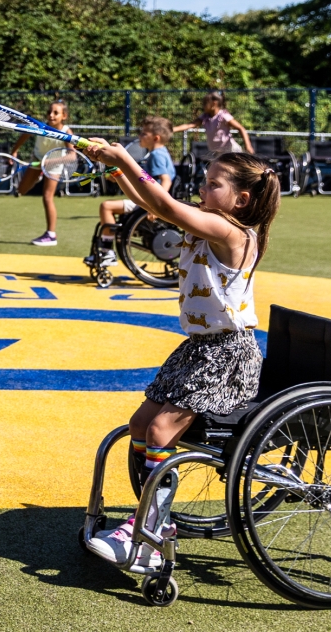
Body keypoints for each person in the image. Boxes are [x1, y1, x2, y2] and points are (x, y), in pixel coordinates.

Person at [75, 144, 281, 568]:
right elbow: (154, 204)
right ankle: (151, 515)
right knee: (139, 424)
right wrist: (116, 172)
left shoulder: (233, 233)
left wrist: (124, 161)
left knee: (161, 429)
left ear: (241, 198)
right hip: (199, 349)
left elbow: (165, 205)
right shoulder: (213, 223)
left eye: (213, 184)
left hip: (228, 355)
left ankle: (150, 533)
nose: (203, 189)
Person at [87, 116, 175, 269]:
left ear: (156, 138)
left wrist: (158, 206)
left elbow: (166, 180)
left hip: (150, 202)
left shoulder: (156, 155)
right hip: (148, 199)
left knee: (106, 206)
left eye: (144, 134)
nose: (139, 136)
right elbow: (145, 179)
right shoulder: (161, 153)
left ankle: (107, 251)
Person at [12, 98, 73, 247]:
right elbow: (24, 135)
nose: (51, 115)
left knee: (47, 197)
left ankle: (51, 235)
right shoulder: (40, 127)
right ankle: (38, 177)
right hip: (37, 159)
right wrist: (14, 151)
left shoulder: (66, 132)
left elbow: (72, 155)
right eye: (49, 112)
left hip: (54, 164)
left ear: (64, 116)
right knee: (20, 190)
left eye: (56, 113)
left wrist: (48, 163)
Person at [175, 91, 252, 155]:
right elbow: (189, 125)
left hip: (231, 152)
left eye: (205, 103)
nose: (203, 105)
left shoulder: (223, 116)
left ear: (214, 104)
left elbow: (241, 128)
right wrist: (172, 129)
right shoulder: (205, 117)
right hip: (218, 153)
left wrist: (248, 146)